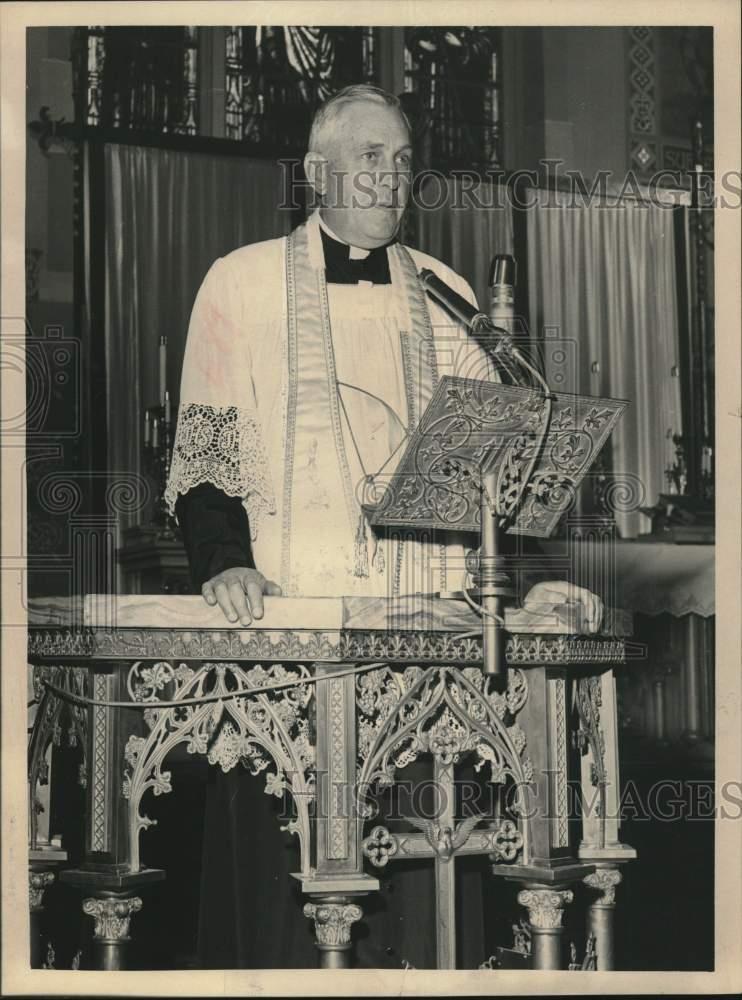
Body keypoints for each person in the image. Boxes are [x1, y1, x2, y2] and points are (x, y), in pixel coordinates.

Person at [165, 83, 602, 969]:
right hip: (291, 625)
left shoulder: (444, 291)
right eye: (372, 158)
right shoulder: (239, 282)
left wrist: (515, 566)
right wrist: (223, 561)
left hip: (425, 639)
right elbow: (206, 451)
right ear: (318, 171)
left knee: (426, 862)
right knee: (294, 874)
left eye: (403, 161)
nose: (392, 177)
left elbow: (490, 467)